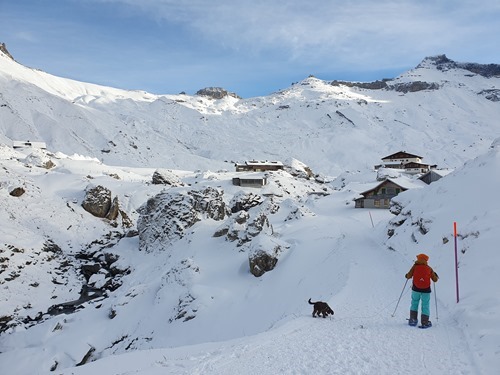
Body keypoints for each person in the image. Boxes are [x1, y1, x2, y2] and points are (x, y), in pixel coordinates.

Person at [405, 253, 439, 328]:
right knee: (425, 305)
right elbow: (435, 280)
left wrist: (406, 275)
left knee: (414, 303)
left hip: (415, 289)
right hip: (426, 290)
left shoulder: (415, 267)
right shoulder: (429, 268)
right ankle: (425, 322)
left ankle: (413, 320)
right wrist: (435, 275)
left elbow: (409, 276)